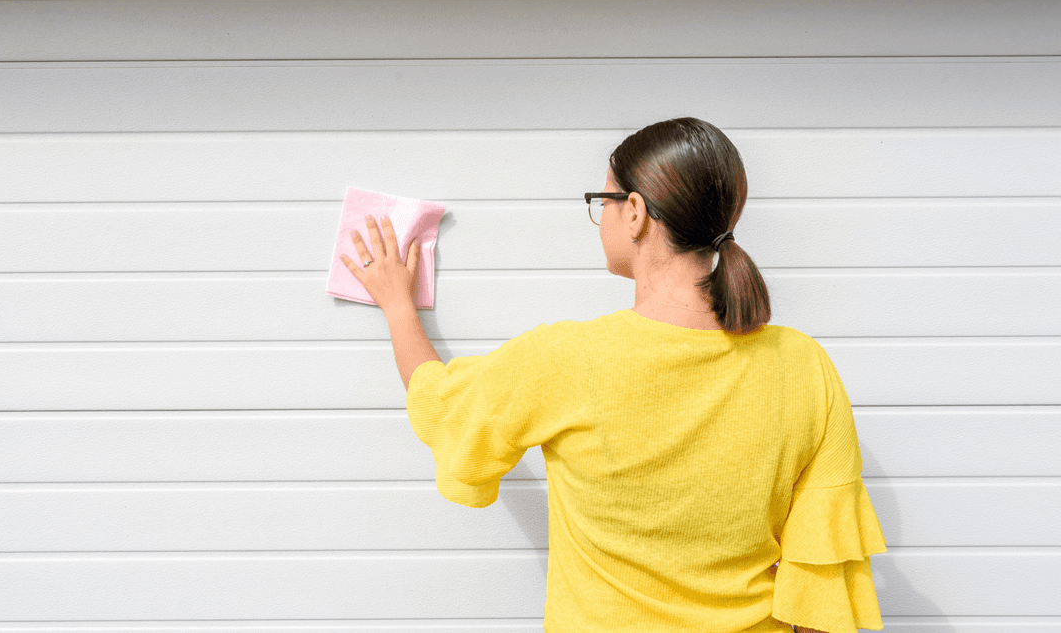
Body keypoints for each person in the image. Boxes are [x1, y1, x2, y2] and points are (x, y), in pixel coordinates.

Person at [341, 117, 887, 633]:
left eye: (600, 201)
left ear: (634, 212)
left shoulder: (566, 359)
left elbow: (443, 409)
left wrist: (397, 304)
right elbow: (818, 581)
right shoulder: (805, 365)